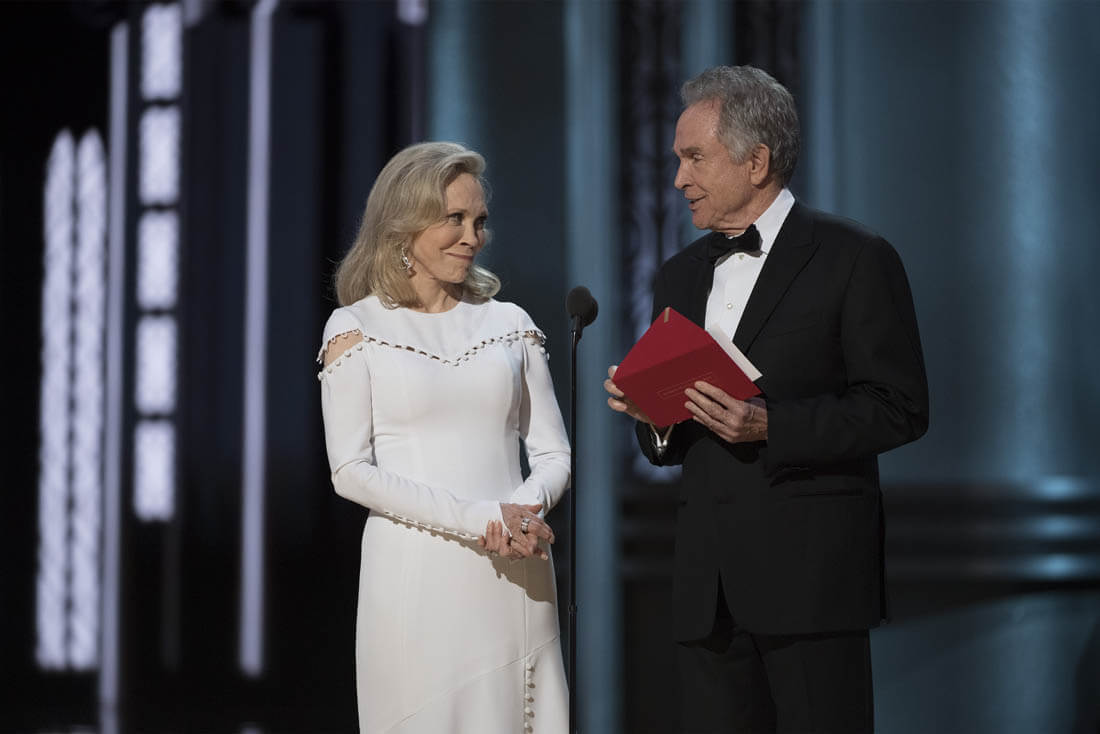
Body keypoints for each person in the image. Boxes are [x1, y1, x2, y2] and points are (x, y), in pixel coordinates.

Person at [605, 66, 929, 733]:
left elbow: (899, 407)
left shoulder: (855, 257)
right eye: (677, 161)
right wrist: (653, 418)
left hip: (812, 583)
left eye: (694, 158)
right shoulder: (679, 274)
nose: (678, 179)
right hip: (708, 592)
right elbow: (670, 445)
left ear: (755, 161)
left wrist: (770, 424)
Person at [318, 141, 570, 733]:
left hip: (515, 568)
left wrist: (523, 512)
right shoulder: (356, 327)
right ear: (403, 226)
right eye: (454, 218)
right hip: (417, 573)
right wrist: (482, 517)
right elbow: (350, 470)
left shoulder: (510, 323)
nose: (471, 236)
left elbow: (553, 451)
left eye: (479, 221)